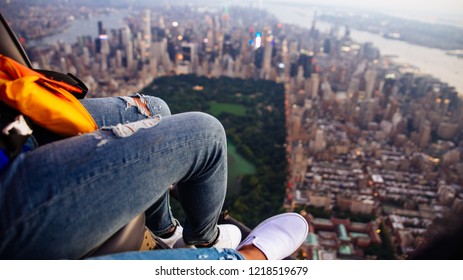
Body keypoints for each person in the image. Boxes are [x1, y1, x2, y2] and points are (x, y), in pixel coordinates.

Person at [0, 93, 308, 260]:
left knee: (155, 108)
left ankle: (166, 230)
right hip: (7, 201)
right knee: (208, 135)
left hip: (11, 135)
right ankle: (221, 251)